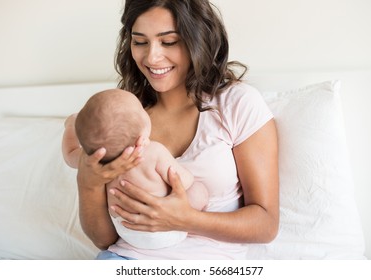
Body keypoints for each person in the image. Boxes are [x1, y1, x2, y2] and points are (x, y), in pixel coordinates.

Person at [70, 0, 279, 260]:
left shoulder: (237, 104)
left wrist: (186, 219)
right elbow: (105, 240)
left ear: (197, 40)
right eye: (140, 42)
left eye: (168, 42)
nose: (151, 57)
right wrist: (88, 183)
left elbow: (266, 225)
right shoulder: (122, 119)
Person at [62, 88, 208, 249]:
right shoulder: (154, 151)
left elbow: (70, 154)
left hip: (128, 233)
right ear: (142, 134)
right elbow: (185, 181)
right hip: (169, 230)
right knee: (197, 190)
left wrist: (70, 124)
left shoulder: (96, 162)